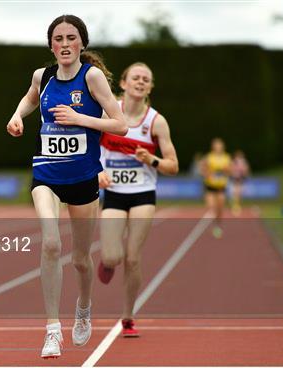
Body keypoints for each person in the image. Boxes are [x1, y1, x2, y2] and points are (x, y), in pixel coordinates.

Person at [6, 14, 127, 359]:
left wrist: (80, 119)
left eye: (71, 38)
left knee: (81, 260)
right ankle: (52, 330)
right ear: (51, 45)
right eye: (57, 39)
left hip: (84, 179)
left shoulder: (92, 78)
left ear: (82, 43)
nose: (64, 44)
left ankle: (84, 307)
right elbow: (30, 98)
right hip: (46, 174)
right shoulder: (41, 77)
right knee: (50, 244)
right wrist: (18, 116)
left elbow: (120, 124)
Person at [97, 62, 178, 337]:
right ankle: (107, 262)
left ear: (150, 87)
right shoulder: (109, 111)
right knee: (112, 256)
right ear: (124, 83)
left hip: (143, 194)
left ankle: (128, 316)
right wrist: (98, 173)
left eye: (146, 79)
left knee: (133, 258)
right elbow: (89, 148)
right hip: (114, 194)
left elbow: (173, 165)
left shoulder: (156, 121)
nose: (141, 82)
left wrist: (152, 159)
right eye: (136, 78)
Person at [201, 138, 231, 238]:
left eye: (220, 145)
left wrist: (226, 170)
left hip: (221, 187)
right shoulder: (209, 157)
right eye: (216, 145)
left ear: (222, 147)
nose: (218, 147)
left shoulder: (226, 157)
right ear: (213, 147)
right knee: (211, 207)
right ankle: (215, 224)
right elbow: (203, 170)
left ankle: (218, 225)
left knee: (220, 209)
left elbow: (230, 171)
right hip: (210, 186)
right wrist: (207, 173)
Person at [230, 149, 250, 215]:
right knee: (236, 192)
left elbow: (246, 169)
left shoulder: (243, 161)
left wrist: (245, 174)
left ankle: (237, 205)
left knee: (239, 192)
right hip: (235, 178)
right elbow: (231, 169)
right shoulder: (234, 161)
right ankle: (236, 205)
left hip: (240, 178)